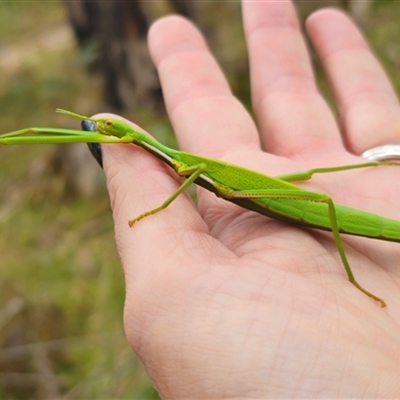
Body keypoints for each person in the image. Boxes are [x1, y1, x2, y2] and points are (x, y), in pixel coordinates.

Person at [95, 1, 400, 397]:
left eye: (105, 127)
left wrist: (159, 207)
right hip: (252, 195)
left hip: (278, 199)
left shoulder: (189, 167)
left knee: (321, 197)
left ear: (124, 135)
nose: (102, 129)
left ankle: (357, 280)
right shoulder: (179, 163)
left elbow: (211, 185)